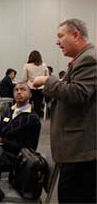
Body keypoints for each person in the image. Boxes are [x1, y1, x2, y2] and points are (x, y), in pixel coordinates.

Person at [33, 18, 96, 203]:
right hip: (75, 149)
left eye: (61, 36)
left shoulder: (89, 58)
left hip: (81, 150)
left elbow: (78, 93)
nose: (57, 42)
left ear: (76, 34)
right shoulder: (83, 58)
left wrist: (47, 80)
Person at [0, 82, 41, 172]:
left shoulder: (32, 118)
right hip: (1, 149)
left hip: (17, 157)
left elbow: (28, 149)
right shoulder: (8, 111)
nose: (19, 92)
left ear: (30, 94)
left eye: (23, 89)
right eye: (16, 90)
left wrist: (1, 141)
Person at [22, 50, 49, 117]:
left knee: (27, 106)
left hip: (30, 88)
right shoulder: (44, 65)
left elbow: (24, 79)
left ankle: (26, 120)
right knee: (38, 106)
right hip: (41, 88)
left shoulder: (27, 66)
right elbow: (47, 77)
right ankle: (36, 121)